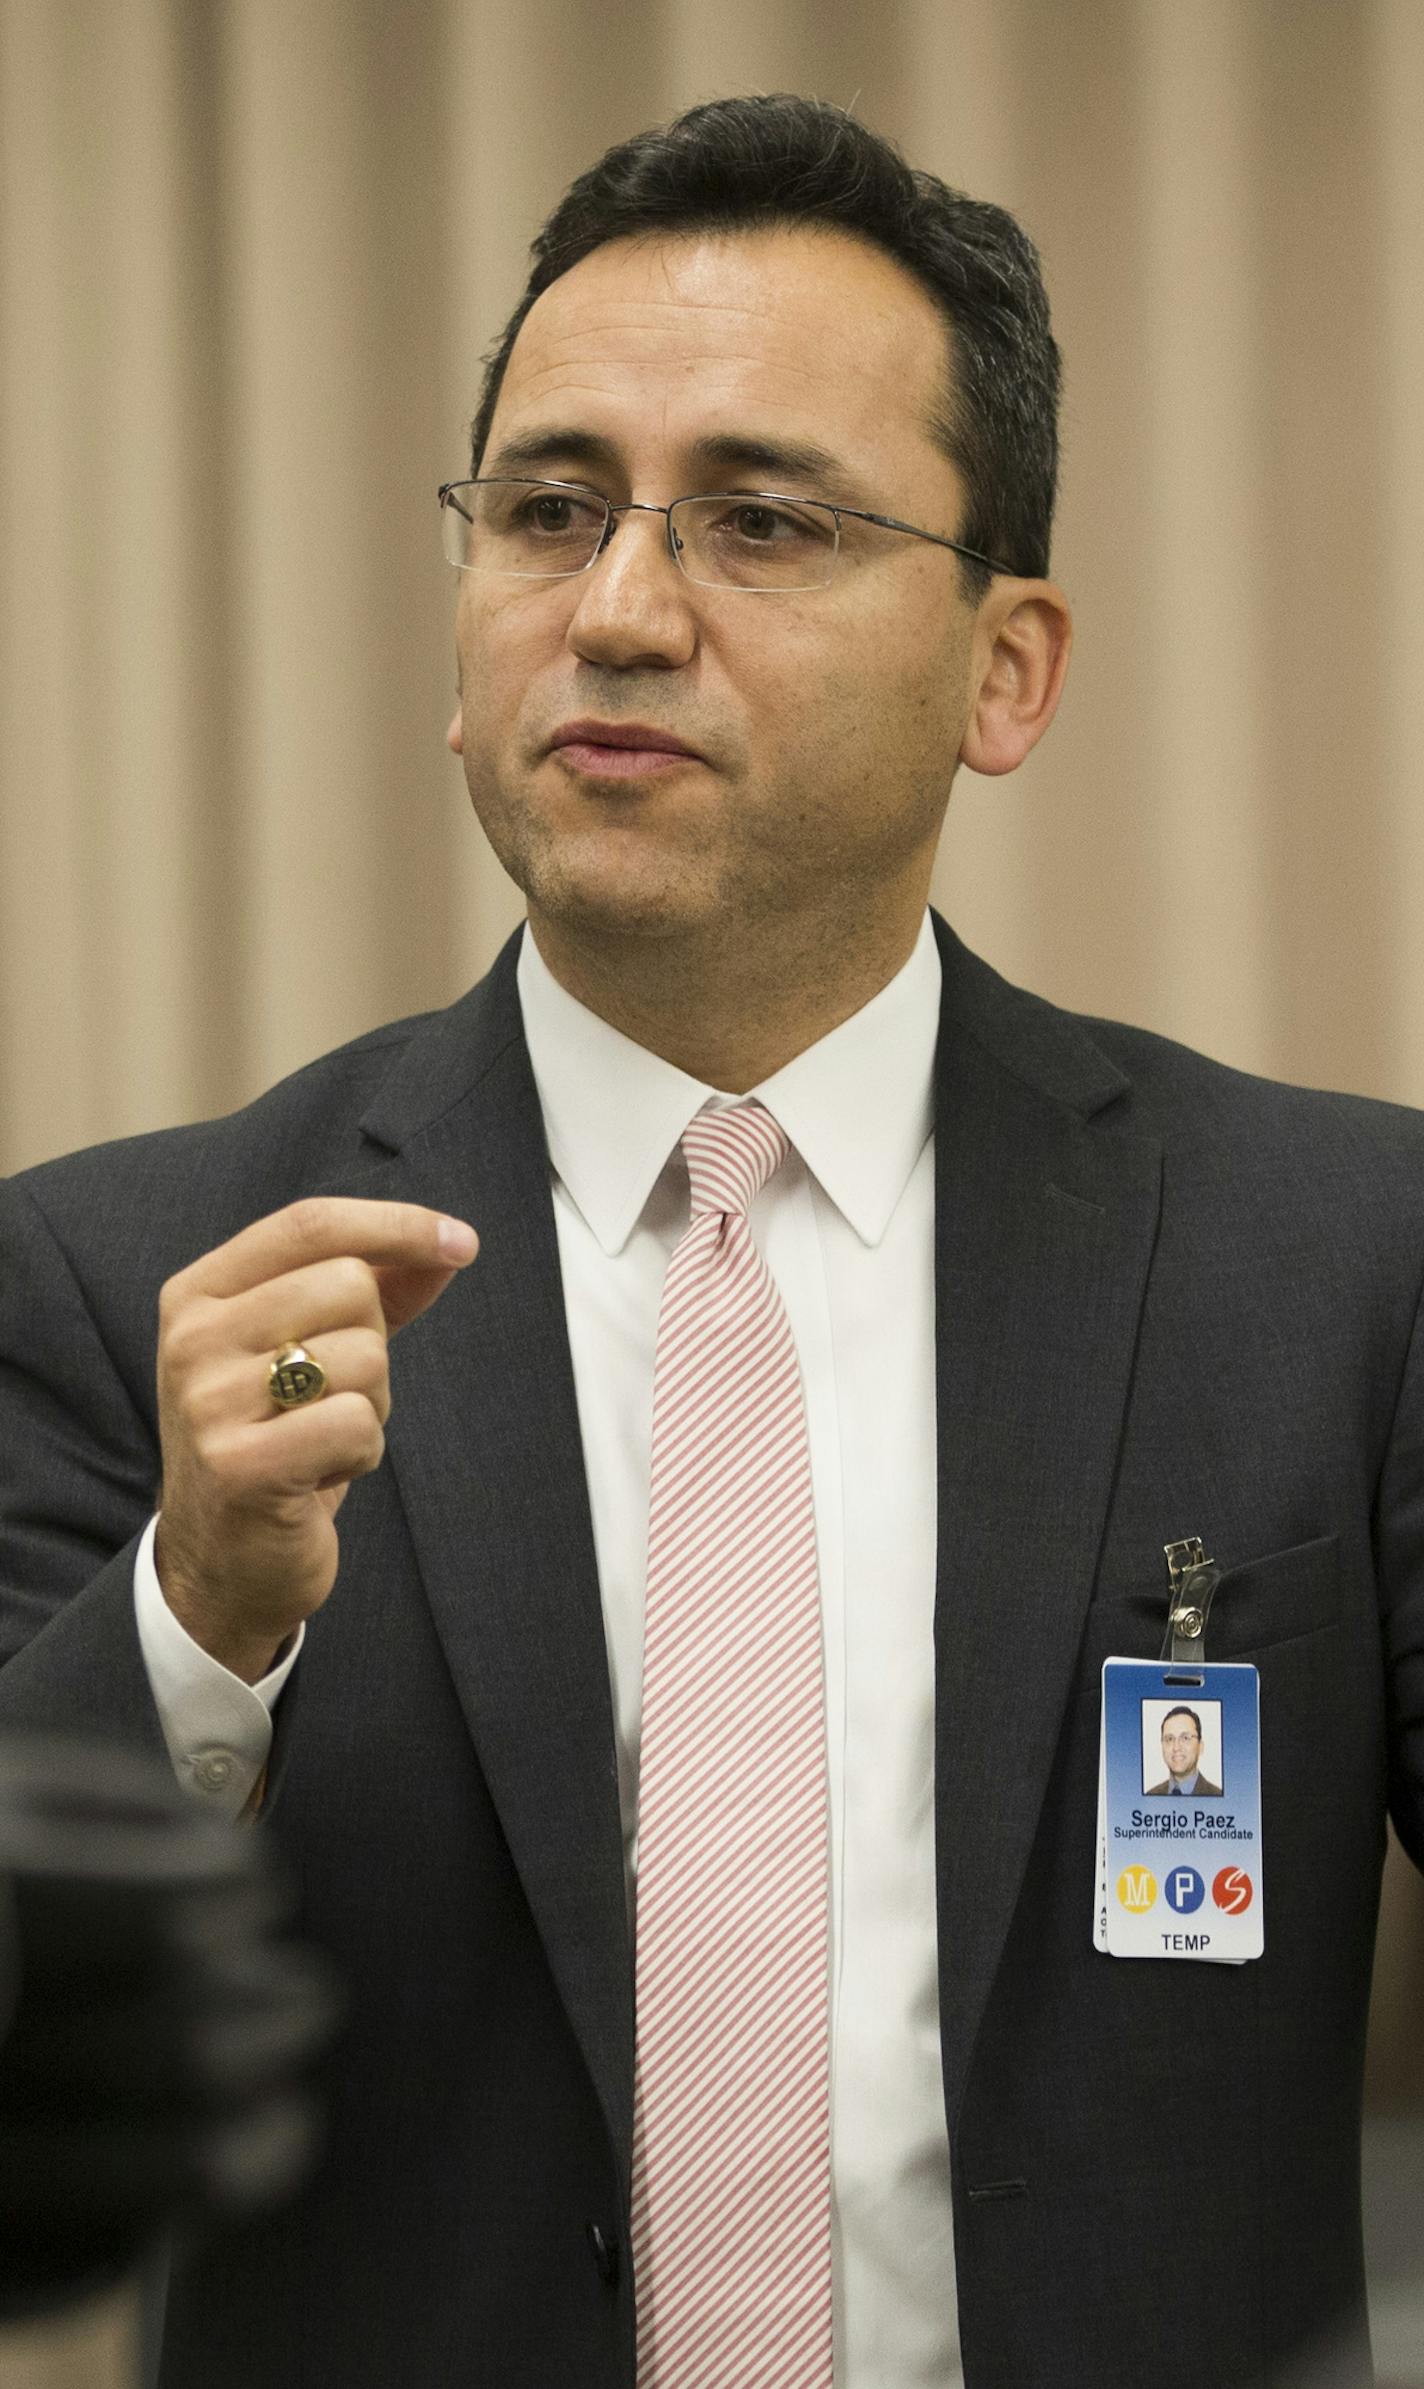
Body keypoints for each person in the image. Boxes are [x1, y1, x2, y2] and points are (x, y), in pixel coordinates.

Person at [0, 91, 1420, 2389]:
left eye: (761, 521)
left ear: (1005, 667)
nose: (622, 607)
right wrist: (190, 1630)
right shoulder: (141, 1286)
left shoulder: (1341, 1267)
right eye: (547, 511)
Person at [1144, 1704, 1223, 1797]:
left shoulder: (1218, 1796)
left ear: (1200, 1746)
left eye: (1185, 1738)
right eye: (1169, 1739)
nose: (1176, 1747)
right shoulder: (1150, 1797)